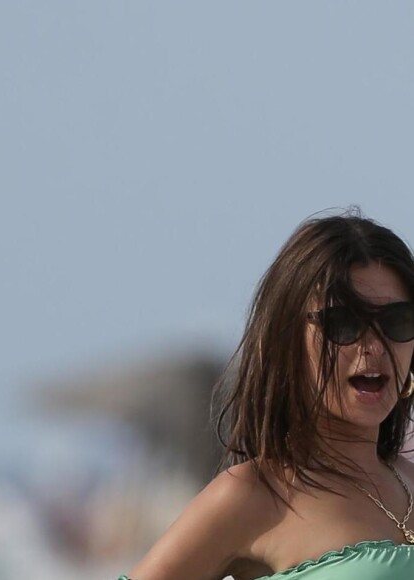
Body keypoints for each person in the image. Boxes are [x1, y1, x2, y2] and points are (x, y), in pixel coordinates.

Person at [117, 210, 414, 579]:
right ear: (287, 339)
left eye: (397, 320)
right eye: (344, 323)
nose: (373, 345)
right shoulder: (255, 495)